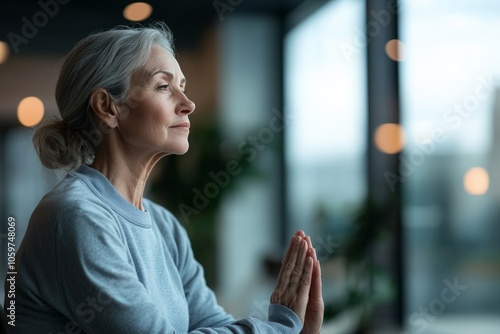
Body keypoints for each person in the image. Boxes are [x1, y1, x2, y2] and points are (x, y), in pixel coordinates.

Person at [3, 23, 324, 333]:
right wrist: (278, 328)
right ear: (107, 107)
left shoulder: (165, 227)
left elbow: (211, 323)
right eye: (163, 86)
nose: (188, 104)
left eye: (182, 87)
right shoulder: (75, 216)